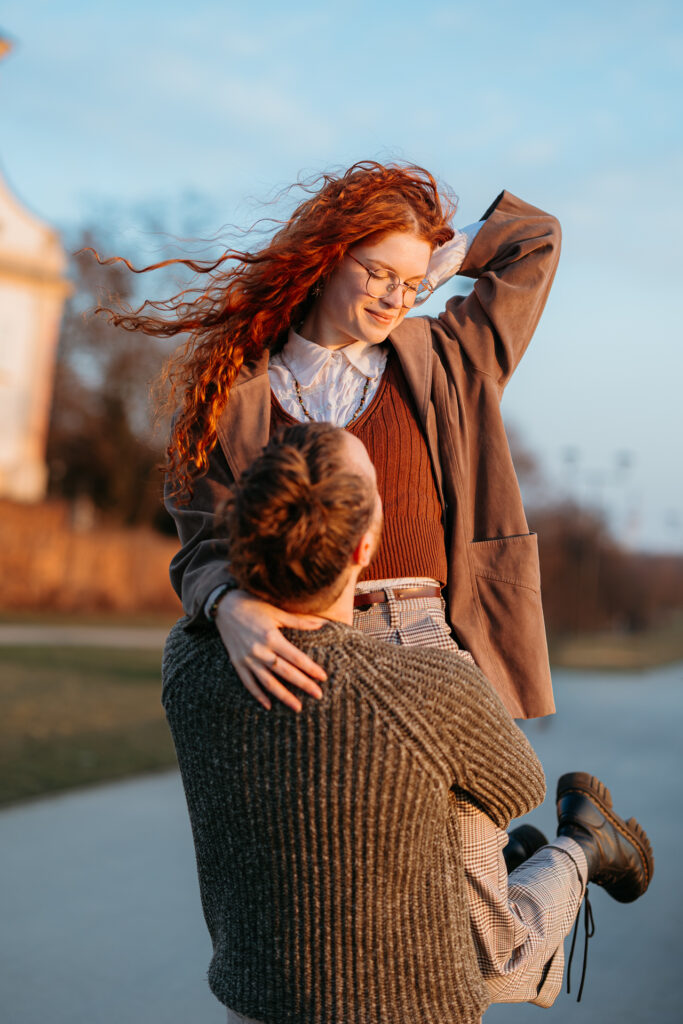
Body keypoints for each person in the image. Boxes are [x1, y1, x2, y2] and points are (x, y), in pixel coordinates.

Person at [162, 423, 654, 1024]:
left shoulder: (186, 662)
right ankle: (582, 847)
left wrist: (222, 599)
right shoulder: (427, 687)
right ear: (364, 550)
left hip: (257, 1001)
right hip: (414, 1009)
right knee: (501, 957)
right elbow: (522, 786)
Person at [102, 160, 559, 720]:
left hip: (428, 640)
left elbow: (536, 239)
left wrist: (439, 258)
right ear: (329, 256)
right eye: (380, 274)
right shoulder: (233, 394)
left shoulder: (450, 359)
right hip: (299, 648)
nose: (396, 299)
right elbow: (203, 541)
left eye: (411, 285)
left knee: (474, 783)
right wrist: (228, 605)